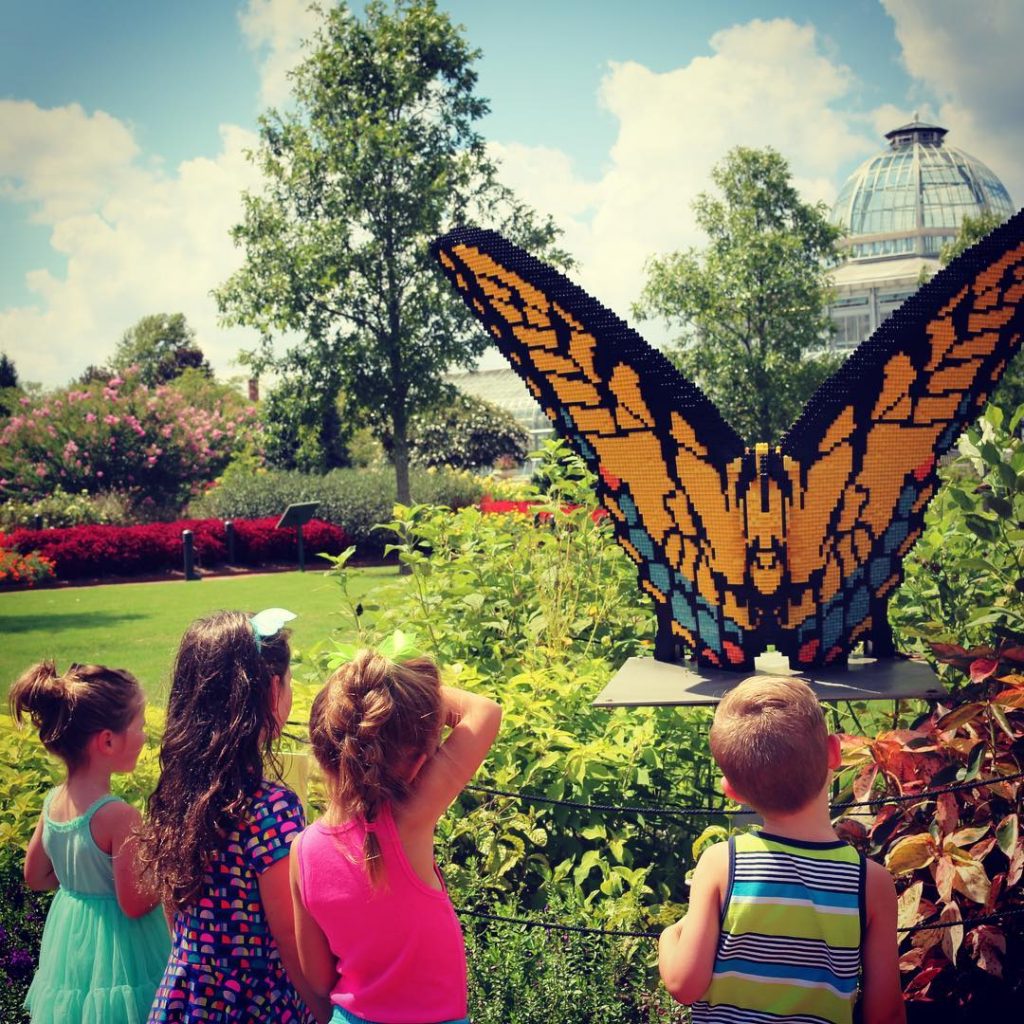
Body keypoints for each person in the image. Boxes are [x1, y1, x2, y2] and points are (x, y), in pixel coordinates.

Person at [658, 676, 905, 1024]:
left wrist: (669, 936)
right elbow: (885, 1015)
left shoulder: (722, 864)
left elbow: (684, 984)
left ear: (733, 790)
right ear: (834, 753)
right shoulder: (871, 883)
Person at [291, 649, 502, 1024]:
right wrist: (400, 685)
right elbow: (485, 712)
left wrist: (365, 691)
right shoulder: (409, 821)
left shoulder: (301, 851)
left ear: (321, 747)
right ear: (420, 761)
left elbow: (319, 979)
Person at [138, 609, 326, 1024]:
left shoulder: (178, 793)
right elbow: (291, 941)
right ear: (272, 689)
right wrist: (326, 1015)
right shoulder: (272, 809)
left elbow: (176, 913)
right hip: (256, 1005)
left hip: (186, 997)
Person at [9, 660, 170, 1024]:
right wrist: (166, 865)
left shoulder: (53, 802)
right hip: (123, 949)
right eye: (140, 726)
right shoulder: (118, 816)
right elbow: (134, 903)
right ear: (108, 740)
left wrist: (80, 882)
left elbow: (35, 876)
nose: (145, 736)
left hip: (71, 940)